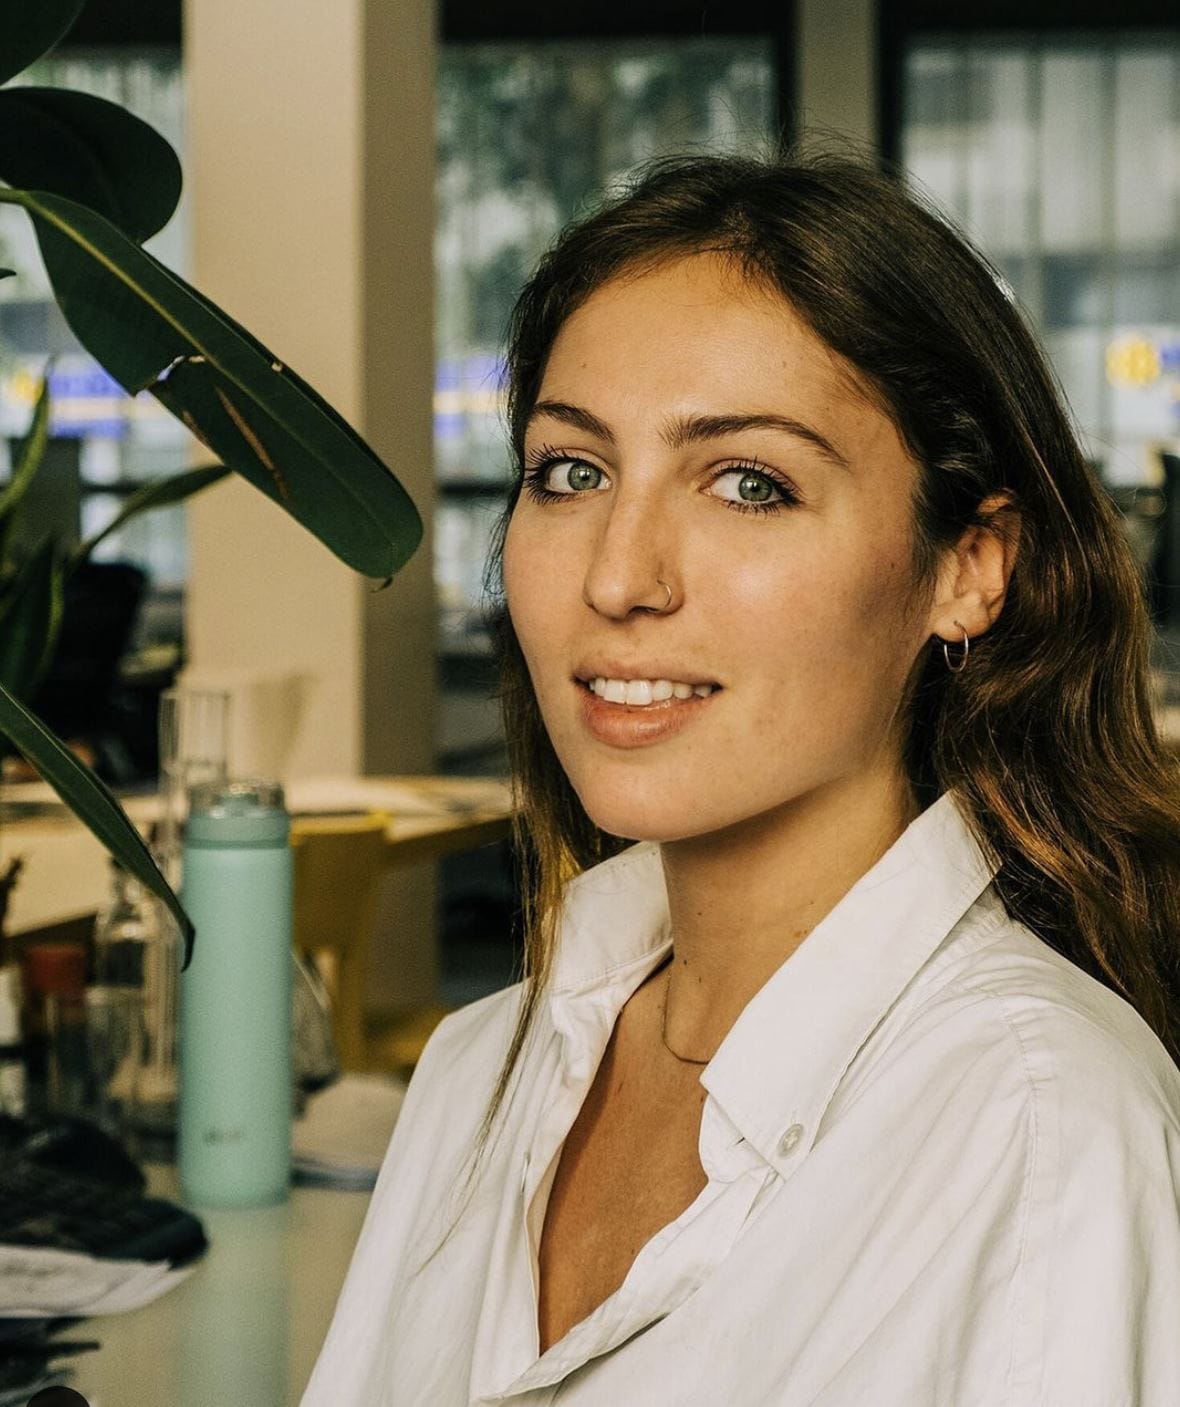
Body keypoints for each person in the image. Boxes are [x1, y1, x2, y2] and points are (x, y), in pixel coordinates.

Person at [301, 149, 1180, 1406]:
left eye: (748, 485)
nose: (619, 577)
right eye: (571, 472)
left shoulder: (1040, 1130)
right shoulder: (480, 1069)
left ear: (967, 567)